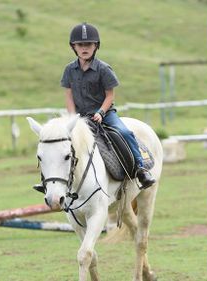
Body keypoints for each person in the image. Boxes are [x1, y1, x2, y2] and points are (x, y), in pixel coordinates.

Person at [61, 22, 155, 189]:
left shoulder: (103, 69)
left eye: (88, 44)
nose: (84, 48)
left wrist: (101, 112)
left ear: (96, 46)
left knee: (124, 132)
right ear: (73, 47)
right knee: (57, 141)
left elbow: (110, 95)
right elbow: (68, 95)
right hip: (80, 117)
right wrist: (72, 117)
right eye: (80, 44)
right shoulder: (69, 70)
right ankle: (54, 181)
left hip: (104, 114)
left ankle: (140, 169)